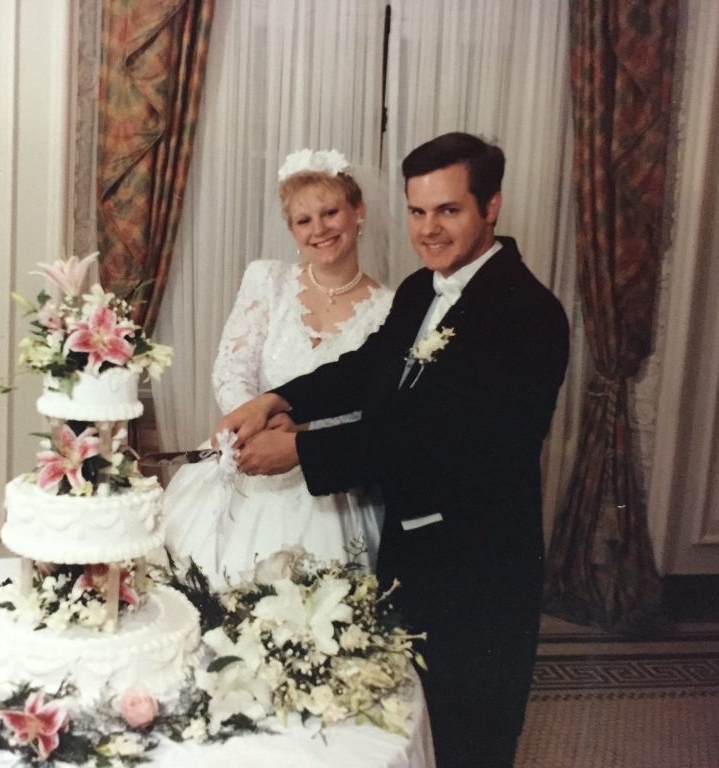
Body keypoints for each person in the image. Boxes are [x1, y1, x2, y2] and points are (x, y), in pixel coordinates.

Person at [217, 133, 570, 768]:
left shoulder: (528, 314)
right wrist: (279, 399)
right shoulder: (419, 290)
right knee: (404, 716)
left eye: (449, 210)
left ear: (491, 206)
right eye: (417, 211)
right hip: (408, 543)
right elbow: (367, 368)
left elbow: (439, 435)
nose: (428, 230)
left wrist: (303, 452)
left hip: (477, 564)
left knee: (470, 729)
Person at [162, 149, 393, 587]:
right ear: (291, 230)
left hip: (328, 482)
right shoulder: (266, 280)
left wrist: (301, 437)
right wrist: (261, 425)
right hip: (248, 457)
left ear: (357, 212)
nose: (319, 229)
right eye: (304, 220)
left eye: (330, 212)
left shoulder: (390, 307)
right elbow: (231, 369)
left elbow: (370, 400)